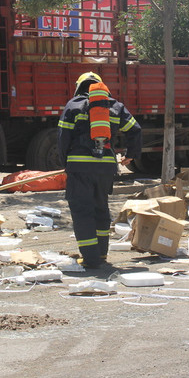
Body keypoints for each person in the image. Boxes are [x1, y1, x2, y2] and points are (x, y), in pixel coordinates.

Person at [58, 72, 142, 269]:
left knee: (82, 211)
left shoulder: (73, 105)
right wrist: (131, 155)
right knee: (100, 208)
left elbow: (63, 137)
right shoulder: (115, 106)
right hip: (105, 168)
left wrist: (66, 163)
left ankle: (90, 258)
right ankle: (102, 253)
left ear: (79, 87)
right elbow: (135, 129)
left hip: (80, 168)